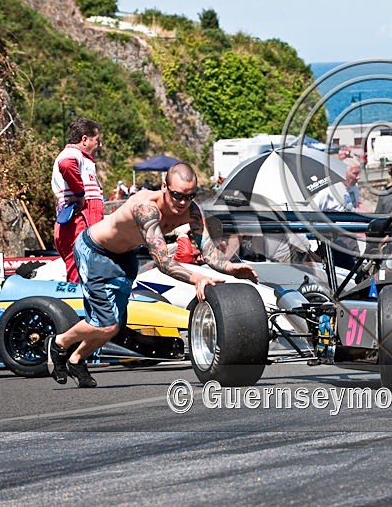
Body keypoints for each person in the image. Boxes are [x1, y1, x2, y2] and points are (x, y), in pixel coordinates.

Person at [45, 162, 258, 388]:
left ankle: (76, 360)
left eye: (190, 196)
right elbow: (163, 262)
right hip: (95, 252)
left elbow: (208, 252)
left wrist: (231, 268)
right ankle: (58, 343)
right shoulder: (146, 208)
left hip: (124, 256)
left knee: (115, 324)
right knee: (106, 324)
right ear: (164, 187)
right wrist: (197, 278)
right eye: (177, 196)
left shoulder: (192, 212)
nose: (183, 203)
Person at [51, 118, 105, 283]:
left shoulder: (83, 159)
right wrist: (80, 194)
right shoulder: (72, 153)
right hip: (77, 223)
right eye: (97, 140)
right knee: (78, 272)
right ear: (85, 139)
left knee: (86, 271)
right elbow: (66, 165)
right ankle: (75, 299)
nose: (100, 145)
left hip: (81, 225)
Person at [313, 158, 362, 269]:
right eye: (355, 173)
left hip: (351, 235)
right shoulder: (328, 191)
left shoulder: (355, 188)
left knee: (356, 267)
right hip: (336, 237)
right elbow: (313, 210)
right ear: (344, 172)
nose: (358, 177)